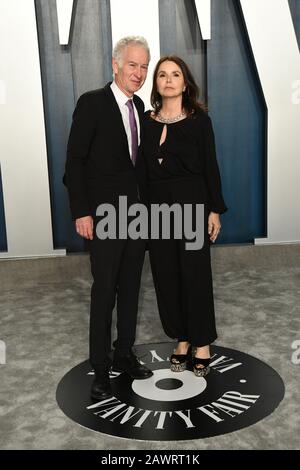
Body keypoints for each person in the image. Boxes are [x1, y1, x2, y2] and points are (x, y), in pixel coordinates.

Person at [65, 36, 153, 401]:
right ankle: (100, 368)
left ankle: (124, 353)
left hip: (136, 218)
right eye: (132, 64)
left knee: (131, 288)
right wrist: (82, 212)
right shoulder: (92, 104)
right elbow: (75, 163)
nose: (139, 72)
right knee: (104, 293)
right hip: (102, 218)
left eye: (144, 66)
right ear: (115, 65)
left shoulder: (141, 107)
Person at [142, 56, 227, 377]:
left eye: (175, 74)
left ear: (185, 82)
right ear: (157, 83)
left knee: (195, 275)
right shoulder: (147, 122)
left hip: (192, 206)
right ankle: (182, 337)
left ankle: (202, 342)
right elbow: (141, 173)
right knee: (166, 276)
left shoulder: (199, 121)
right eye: (162, 75)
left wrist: (214, 210)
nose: (168, 79)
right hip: (157, 210)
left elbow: (210, 167)